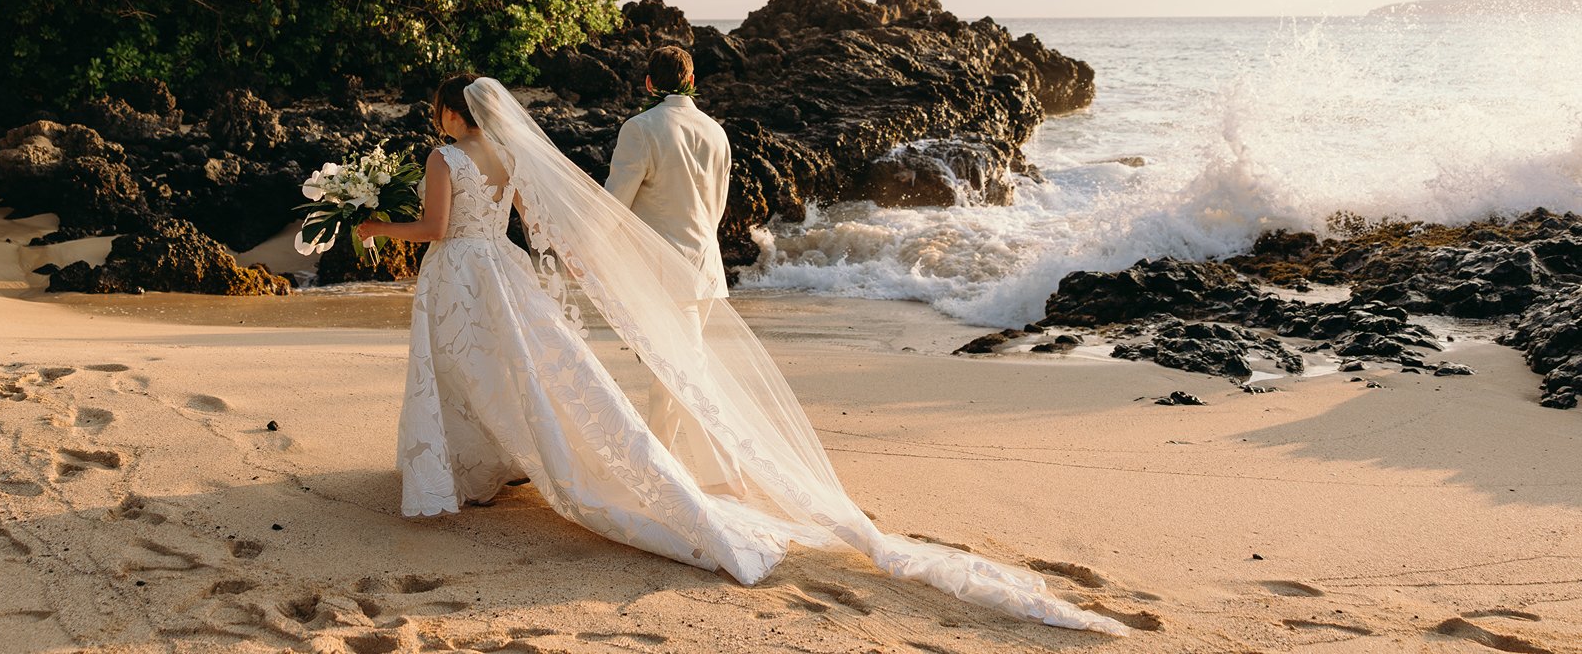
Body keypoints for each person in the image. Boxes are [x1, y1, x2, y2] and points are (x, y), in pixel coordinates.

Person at [350, 74, 1127, 636]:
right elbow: (544, 219)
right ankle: (553, 465)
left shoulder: (447, 159)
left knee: (480, 370)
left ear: (454, 113)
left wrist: (371, 228)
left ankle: (534, 472)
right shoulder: (556, 152)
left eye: (438, 110)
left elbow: (452, 229)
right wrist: (572, 260)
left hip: (476, 272)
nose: (436, 119)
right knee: (555, 374)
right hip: (658, 268)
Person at [604, 46, 745, 495]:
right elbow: (717, 208)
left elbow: (614, 204)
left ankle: (722, 476)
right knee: (670, 378)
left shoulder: (639, 129)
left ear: (648, 83)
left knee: (682, 375)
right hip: (704, 267)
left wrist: (584, 245)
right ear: (691, 79)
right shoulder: (716, 131)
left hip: (660, 273)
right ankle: (659, 467)